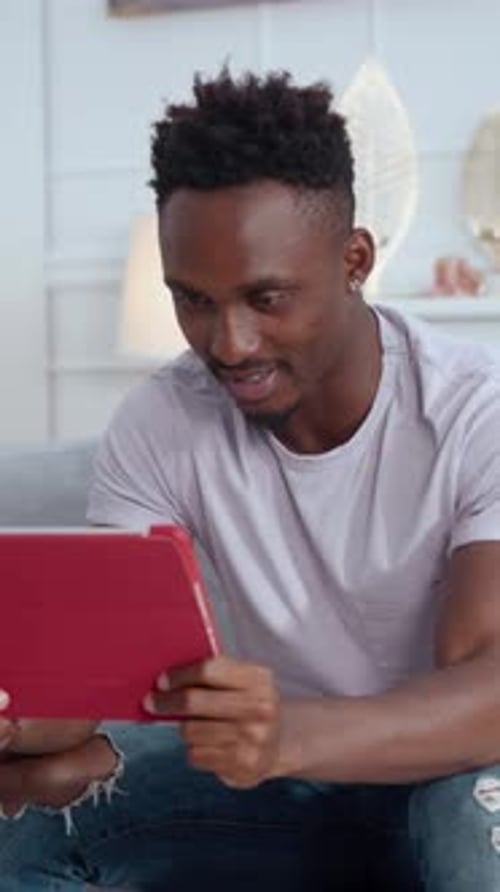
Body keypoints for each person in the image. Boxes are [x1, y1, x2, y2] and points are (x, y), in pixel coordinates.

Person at [1, 68, 500, 892]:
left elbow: (487, 684)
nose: (228, 343)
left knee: (471, 829)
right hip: (273, 785)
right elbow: (103, 686)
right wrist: (22, 724)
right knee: (37, 824)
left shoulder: (475, 411)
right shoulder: (162, 423)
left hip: (447, 772)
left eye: (266, 298)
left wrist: (288, 734)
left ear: (354, 259)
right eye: (193, 300)